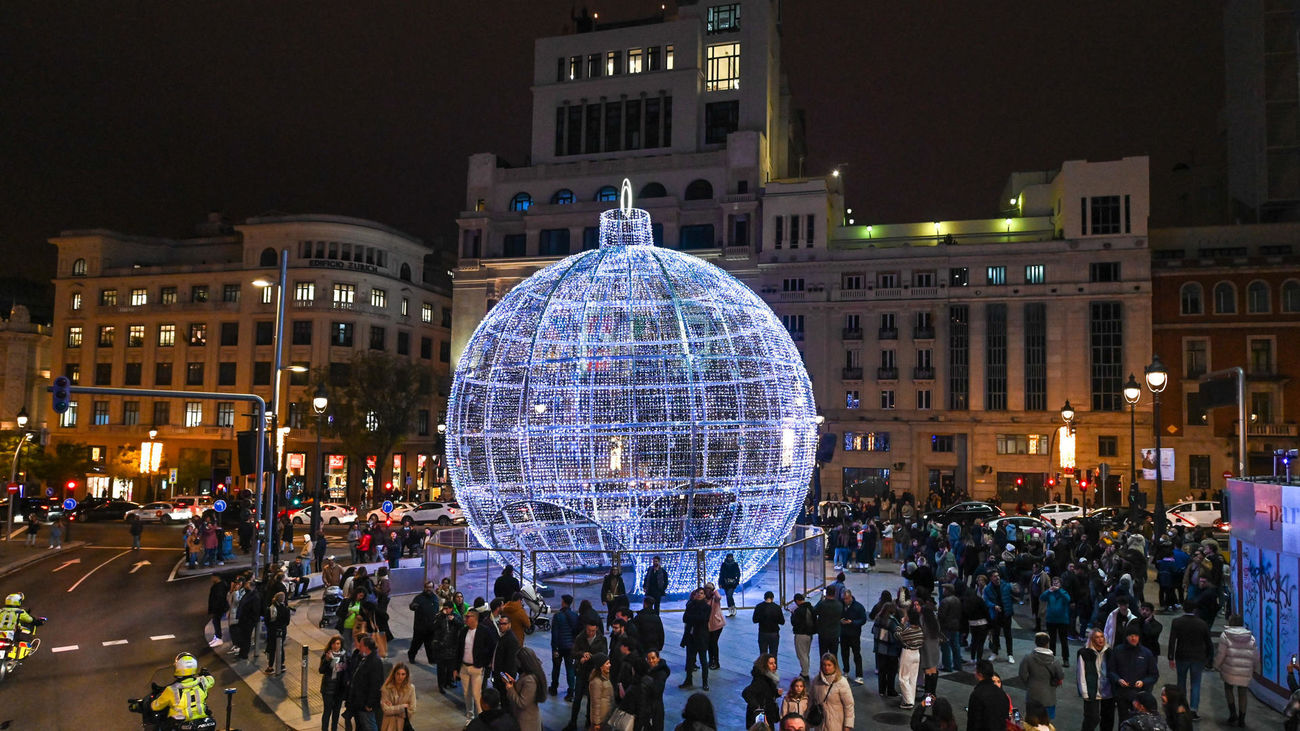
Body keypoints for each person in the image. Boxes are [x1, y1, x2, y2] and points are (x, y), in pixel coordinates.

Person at [1165, 602, 1211, 720]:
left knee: (1181, 682)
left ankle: (1182, 707)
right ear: (1195, 609)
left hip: (1182, 656)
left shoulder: (1177, 622)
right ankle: (1194, 710)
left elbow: (1172, 640)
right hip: (1198, 657)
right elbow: (1208, 643)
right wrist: (1209, 658)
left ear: (1184, 609)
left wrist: (1171, 657)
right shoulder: (1202, 623)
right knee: (1195, 683)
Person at [1214, 614, 1260, 727]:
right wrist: (1256, 668)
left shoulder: (1225, 636)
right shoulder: (1251, 637)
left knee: (1228, 688)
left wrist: (1216, 665)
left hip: (1230, 669)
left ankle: (1233, 713)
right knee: (1243, 693)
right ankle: (1242, 719)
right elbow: (1255, 656)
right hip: (1245, 671)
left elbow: (1221, 654)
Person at [1107, 624, 1159, 724]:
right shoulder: (1118, 650)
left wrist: (1143, 682)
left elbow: (1154, 675)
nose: (1133, 638)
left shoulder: (1146, 653)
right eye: (1130, 635)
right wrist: (1118, 679)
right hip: (1122, 694)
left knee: (1139, 723)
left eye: (1136, 635)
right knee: (1123, 721)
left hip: (1140, 695)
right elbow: (1111, 671)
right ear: (1126, 637)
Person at [565, 617, 607, 731]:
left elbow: (604, 655)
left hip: (593, 673)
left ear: (597, 628)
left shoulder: (601, 639)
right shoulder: (580, 637)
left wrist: (591, 657)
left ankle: (589, 722)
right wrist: (582, 655)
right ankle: (573, 722)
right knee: (577, 698)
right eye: (589, 630)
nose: (590, 633)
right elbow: (573, 653)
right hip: (581, 672)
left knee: (591, 700)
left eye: (593, 631)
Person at [150, 652, 215, 724]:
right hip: (201, 720)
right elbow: (211, 680)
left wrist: (151, 702)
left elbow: (156, 706)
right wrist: (206, 673)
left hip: (180, 724)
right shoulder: (203, 681)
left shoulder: (171, 690)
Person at [458, 609, 497, 723]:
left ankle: (481, 718)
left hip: (477, 668)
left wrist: (485, 661)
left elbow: (492, 646)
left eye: (468, 616)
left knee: (476, 694)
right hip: (464, 667)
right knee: (466, 694)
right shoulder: (464, 631)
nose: (466, 618)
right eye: (466, 616)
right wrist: (456, 668)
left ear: (475, 618)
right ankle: (469, 716)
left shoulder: (484, 631)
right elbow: (459, 649)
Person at [1018, 632, 1064, 720]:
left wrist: (1029, 684)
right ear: (1048, 643)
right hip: (1049, 697)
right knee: (1046, 722)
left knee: (1032, 722)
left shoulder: (1028, 657)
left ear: (1036, 642)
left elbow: (1022, 674)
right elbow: (1060, 676)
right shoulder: (1055, 660)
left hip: (1032, 695)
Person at [1077, 629, 1116, 731]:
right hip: (1092, 691)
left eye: (1102, 636)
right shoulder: (1084, 653)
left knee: (1108, 720)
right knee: (1092, 718)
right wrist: (1084, 693)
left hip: (1108, 692)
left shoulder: (1110, 652)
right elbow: (1081, 674)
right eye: (1097, 637)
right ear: (1092, 640)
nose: (1100, 639)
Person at [809, 652, 854, 731]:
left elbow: (849, 705)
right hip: (820, 725)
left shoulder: (841, 682)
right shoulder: (816, 681)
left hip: (836, 724)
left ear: (834, 666)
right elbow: (811, 700)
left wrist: (847, 725)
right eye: (824, 665)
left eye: (829, 665)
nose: (826, 668)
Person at [679, 587, 712, 691]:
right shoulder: (690, 605)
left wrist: (692, 618)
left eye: (701, 593)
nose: (699, 595)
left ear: (704, 595)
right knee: (689, 661)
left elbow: (703, 619)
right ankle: (688, 680)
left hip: (701, 638)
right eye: (697, 593)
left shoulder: (706, 607)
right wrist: (695, 618)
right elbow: (685, 618)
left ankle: (705, 682)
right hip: (691, 637)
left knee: (703, 661)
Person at [505, 646, 546, 731]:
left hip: (526, 721)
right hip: (525, 718)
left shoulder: (530, 680)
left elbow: (522, 703)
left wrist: (510, 689)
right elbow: (524, 692)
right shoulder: (529, 673)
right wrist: (514, 683)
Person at [966, 659, 1010, 731]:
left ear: (979, 674)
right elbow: (1005, 718)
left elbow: (973, 722)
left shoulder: (977, 694)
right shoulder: (1002, 693)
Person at [742, 654, 783, 727]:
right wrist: (758, 708)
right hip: (761, 719)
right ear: (764, 665)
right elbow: (746, 693)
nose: (774, 665)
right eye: (771, 663)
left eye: (774, 663)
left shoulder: (769, 677)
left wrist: (776, 693)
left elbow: (766, 694)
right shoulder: (760, 680)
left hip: (766, 716)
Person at [550, 593, 578, 698]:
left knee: (556, 668)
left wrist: (554, 648)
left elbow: (555, 633)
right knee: (570, 669)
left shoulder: (558, 616)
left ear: (564, 602)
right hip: (570, 647)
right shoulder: (575, 616)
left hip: (560, 646)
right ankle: (571, 691)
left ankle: (554, 688)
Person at [872, 600, 903, 698]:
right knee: (891, 671)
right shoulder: (892, 621)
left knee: (882, 671)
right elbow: (898, 634)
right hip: (891, 650)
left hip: (880, 649)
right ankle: (890, 690)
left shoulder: (877, 618)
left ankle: (881, 690)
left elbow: (873, 631)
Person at [984, 572, 1017, 663]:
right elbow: (986, 601)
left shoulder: (1006, 585)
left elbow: (1015, 594)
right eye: (995, 576)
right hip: (995, 614)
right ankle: (995, 652)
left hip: (1006, 613)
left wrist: (1016, 590)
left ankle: (1010, 654)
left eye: (998, 575)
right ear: (991, 578)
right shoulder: (988, 589)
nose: (997, 578)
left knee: (1008, 635)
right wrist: (994, 606)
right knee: (995, 635)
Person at [1039, 576, 1071, 666]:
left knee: (1063, 640)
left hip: (1062, 620)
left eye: (1057, 583)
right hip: (1051, 620)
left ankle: (1066, 659)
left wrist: (1059, 590)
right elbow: (1042, 598)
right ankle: (1051, 657)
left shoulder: (1063, 592)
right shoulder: (1050, 593)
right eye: (1053, 583)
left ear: (1060, 584)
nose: (1055, 585)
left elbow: (1068, 599)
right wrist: (1048, 591)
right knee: (1052, 640)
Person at [429, 601, 461, 692]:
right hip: (441, 647)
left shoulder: (456, 616)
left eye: (448, 608)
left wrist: (453, 620)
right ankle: (441, 685)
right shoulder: (439, 616)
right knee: (441, 668)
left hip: (452, 647)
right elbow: (433, 627)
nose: (446, 610)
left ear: (451, 608)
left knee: (450, 667)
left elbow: (461, 624)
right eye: (445, 608)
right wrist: (441, 617)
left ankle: (449, 682)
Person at [319, 635, 349, 731]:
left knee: (336, 713)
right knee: (327, 712)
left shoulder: (344, 655)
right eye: (334, 643)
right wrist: (327, 661)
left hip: (339, 689)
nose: (336, 646)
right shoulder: (326, 655)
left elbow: (343, 668)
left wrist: (333, 662)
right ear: (331, 644)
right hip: (328, 688)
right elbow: (321, 670)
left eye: (338, 643)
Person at [407, 581, 441, 664]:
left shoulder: (435, 598)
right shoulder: (419, 598)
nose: (429, 589)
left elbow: (437, 611)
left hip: (431, 627)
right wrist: (413, 606)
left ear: (432, 588)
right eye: (427, 587)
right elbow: (412, 606)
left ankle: (431, 660)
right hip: (420, 628)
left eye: (430, 587)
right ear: (424, 588)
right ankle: (411, 656)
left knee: (430, 645)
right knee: (416, 644)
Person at [897, 606, 924, 708]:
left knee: (903, 677)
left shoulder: (908, 630)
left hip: (907, 653)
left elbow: (897, 635)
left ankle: (908, 701)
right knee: (913, 678)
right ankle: (910, 698)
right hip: (917, 653)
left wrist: (902, 623)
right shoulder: (920, 629)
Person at [838, 589, 867, 684]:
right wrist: (840, 621)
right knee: (844, 654)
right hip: (844, 635)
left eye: (846, 598)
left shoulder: (858, 607)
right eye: (844, 599)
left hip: (854, 635)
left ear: (851, 597)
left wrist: (853, 622)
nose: (845, 601)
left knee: (857, 655)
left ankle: (859, 675)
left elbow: (863, 620)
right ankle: (846, 671)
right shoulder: (841, 605)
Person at [378, 662, 415, 731]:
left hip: (403, 726)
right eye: (398, 674)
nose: (400, 677)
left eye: (403, 674)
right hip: (389, 726)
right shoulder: (386, 688)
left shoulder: (411, 689)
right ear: (394, 674)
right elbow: (386, 710)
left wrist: (392, 709)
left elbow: (411, 710)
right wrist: (402, 707)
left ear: (406, 675)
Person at [642, 649, 671, 731]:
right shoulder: (647, 669)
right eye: (648, 659)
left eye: (653, 658)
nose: (651, 661)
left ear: (658, 658)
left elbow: (657, 690)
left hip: (655, 709)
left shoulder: (661, 673)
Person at [493, 614, 522, 697]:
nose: (501, 626)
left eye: (504, 624)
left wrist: (506, 678)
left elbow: (511, 662)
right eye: (500, 624)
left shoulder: (511, 639)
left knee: (505, 699)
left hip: (505, 677)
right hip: (500, 675)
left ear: (509, 624)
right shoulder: (503, 636)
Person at [789, 593, 816, 679]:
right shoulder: (811, 608)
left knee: (801, 654)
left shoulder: (798, 610)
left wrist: (792, 613)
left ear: (797, 601)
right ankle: (806, 670)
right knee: (806, 653)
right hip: (809, 634)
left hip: (801, 634)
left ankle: (805, 672)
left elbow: (794, 622)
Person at [265, 590, 291, 675]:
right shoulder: (286, 609)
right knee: (280, 647)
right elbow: (287, 622)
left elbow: (267, 621)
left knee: (272, 648)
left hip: (272, 631)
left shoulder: (270, 609)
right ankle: (281, 664)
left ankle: (270, 667)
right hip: (282, 631)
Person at [814, 589, 843, 662]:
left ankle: (823, 671)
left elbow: (814, 611)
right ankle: (833, 670)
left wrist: (821, 600)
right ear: (835, 593)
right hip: (835, 633)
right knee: (834, 655)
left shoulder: (822, 604)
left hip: (823, 633)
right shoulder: (839, 605)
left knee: (823, 655)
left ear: (826, 593)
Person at [754, 590, 785, 656]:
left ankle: (763, 666)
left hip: (763, 632)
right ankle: (773, 665)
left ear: (764, 598)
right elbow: (782, 622)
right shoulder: (777, 607)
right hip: (774, 633)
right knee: (773, 654)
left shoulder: (759, 606)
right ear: (772, 598)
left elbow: (754, 620)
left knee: (763, 654)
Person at [587, 654, 614, 730]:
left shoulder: (605, 678)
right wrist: (596, 722)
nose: (610, 665)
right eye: (607, 663)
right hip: (600, 720)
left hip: (606, 718)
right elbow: (595, 703)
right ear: (601, 666)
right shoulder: (596, 682)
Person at [205, 574, 229, 647]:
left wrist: (216, 608)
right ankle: (216, 637)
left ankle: (218, 638)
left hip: (218, 608)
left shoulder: (220, 586)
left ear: (217, 577)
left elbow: (220, 598)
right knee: (215, 622)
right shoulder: (219, 585)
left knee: (216, 621)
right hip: (218, 608)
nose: (211, 578)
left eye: (213, 577)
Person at [720, 553, 742, 617]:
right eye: (729, 557)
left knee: (729, 595)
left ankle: (733, 608)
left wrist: (737, 581)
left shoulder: (735, 564)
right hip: (725, 582)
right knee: (728, 596)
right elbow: (721, 574)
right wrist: (720, 582)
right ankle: (730, 610)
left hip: (732, 583)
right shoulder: (723, 564)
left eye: (731, 557)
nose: (730, 558)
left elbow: (738, 573)